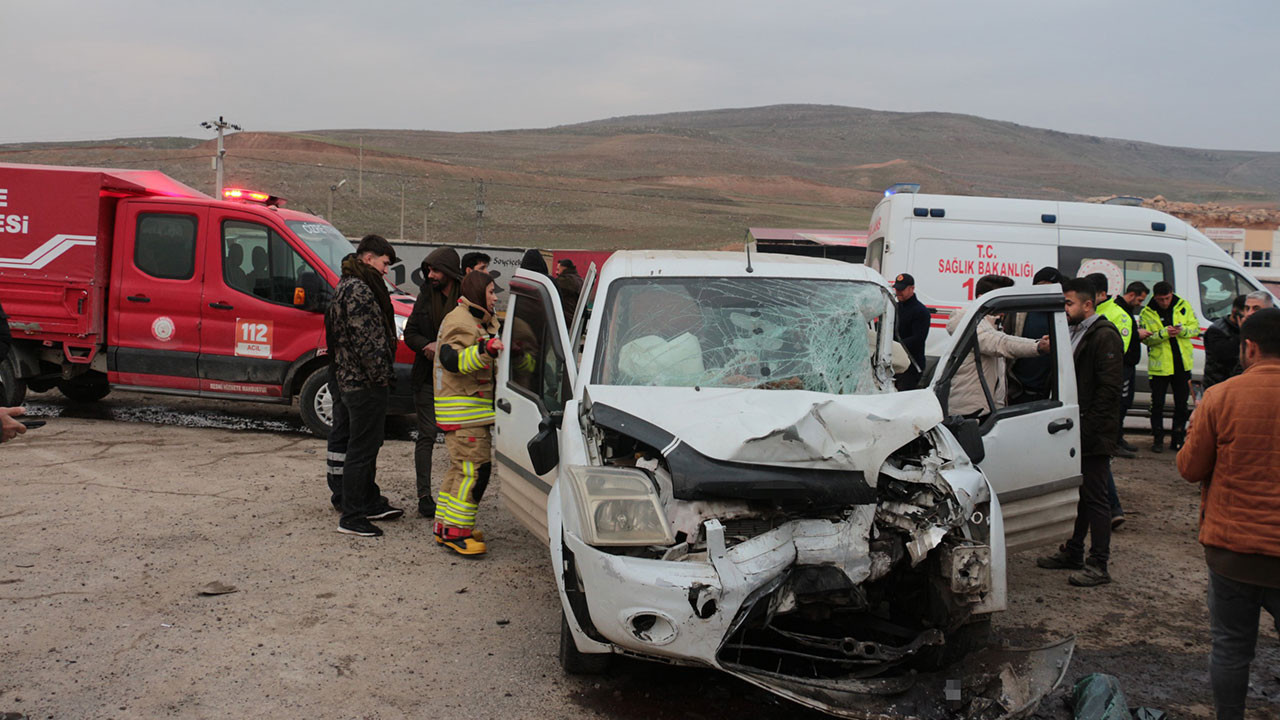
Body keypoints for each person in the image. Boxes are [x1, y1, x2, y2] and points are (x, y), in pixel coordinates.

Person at [1176, 307, 1280, 720]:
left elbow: (1189, 469)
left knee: (1232, 647)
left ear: (1249, 347)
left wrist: (1192, 435)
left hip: (1233, 549)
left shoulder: (1221, 397)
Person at [1036, 278, 1124, 587]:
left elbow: (1109, 390)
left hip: (1092, 432)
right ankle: (1073, 551)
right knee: (1083, 496)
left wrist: (1086, 430)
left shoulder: (1104, 336)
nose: (1064, 308)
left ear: (1088, 305)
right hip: (1077, 428)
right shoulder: (1075, 332)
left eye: (1069, 303)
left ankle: (1098, 564)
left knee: (1097, 498)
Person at [326, 234, 404, 537]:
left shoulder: (347, 286)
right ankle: (353, 516)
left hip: (354, 380)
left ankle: (368, 503)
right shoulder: (359, 290)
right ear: (368, 258)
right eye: (385, 263)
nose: (387, 270)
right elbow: (368, 344)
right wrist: (382, 377)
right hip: (363, 384)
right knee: (361, 449)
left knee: (366, 446)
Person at [433, 271, 503, 556]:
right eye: (490, 292)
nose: (495, 297)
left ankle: (446, 527)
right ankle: (458, 534)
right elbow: (452, 360)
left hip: (464, 413)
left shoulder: (469, 319)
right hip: (465, 413)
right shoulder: (462, 322)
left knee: (459, 470)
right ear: (477, 294)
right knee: (475, 472)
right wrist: (485, 349)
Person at [402, 247, 463, 518]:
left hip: (458, 381)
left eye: (436, 270)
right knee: (426, 435)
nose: (431, 275)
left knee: (458, 440)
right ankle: (424, 496)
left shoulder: (465, 297)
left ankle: (456, 496)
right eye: (428, 270)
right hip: (426, 377)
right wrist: (426, 345)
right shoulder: (426, 295)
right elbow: (410, 333)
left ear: (449, 271)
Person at [946, 274, 1050, 418]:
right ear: (983, 297)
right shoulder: (965, 318)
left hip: (987, 408)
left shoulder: (992, 322)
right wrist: (1038, 346)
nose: (1008, 306)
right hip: (969, 411)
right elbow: (1000, 343)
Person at [1139, 281, 1200, 452]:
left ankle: (1177, 439)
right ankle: (1158, 439)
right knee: (1157, 404)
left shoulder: (1183, 306)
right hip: (1160, 367)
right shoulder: (1147, 312)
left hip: (1182, 364)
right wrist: (1164, 333)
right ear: (1155, 297)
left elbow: (1195, 328)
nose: (1164, 302)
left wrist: (1182, 331)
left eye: (1167, 298)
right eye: (1160, 299)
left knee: (1181, 405)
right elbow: (1146, 339)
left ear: (1172, 294)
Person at [1009, 266, 1062, 403]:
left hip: (1049, 392)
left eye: (1050, 287)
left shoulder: (1063, 315)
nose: (1045, 291)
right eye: (1041, 286)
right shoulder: (1019, 312)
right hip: (1018, 391)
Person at [893, 272, 930, 391]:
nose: (898, 293)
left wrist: (895, 346)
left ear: (912, 289)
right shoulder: (895, 307)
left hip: (912, 365)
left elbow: (918, 338)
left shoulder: (920, 311)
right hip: (896, 362)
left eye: (902, 290)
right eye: (897, 289)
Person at [1203, 295, 1246, 388]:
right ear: (1235, 311)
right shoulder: (1217, 330)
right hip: (1218, 384)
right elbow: (1226, 356)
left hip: (1240, 383)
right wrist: (1243, 332)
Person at [553, 258, 584, 328]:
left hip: (565, 321)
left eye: (558, 269)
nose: (556, 272)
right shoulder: (579, 279)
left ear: (564, 268)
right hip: (574, 320)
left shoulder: (565, 280)